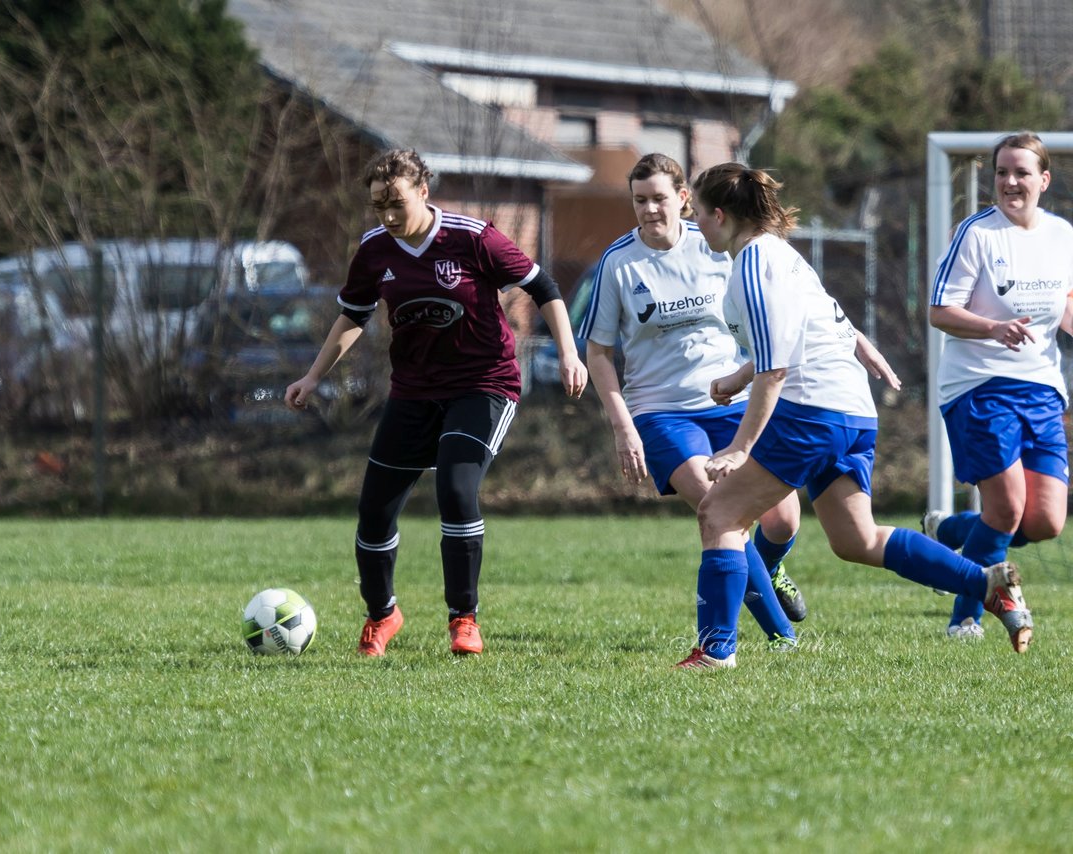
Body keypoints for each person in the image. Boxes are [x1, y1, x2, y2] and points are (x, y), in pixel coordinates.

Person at [675, 161, 1033, 670]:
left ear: (717, 215)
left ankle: (715, 653)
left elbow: (777, 369)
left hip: (811, 410)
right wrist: (739, 378)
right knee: (856, 539)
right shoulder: (782, 256)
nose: (695, 224)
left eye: (696, 213)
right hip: (851, 410)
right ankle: (988, 584)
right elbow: (812, 328)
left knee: (719, 514)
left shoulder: (753, 263)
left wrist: (740, 447)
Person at [582, 153, 902, 650]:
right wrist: (624, 426)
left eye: (659, 199)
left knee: (783, 519)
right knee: (720, 509)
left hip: (734, 399)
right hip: (662, 411)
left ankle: (768, 573)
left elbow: (792, 301)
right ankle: (781, 635)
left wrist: (854, 338)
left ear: (684, 199)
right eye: (639, 200)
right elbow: (599, 353)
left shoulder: (717, 245)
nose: (649, 210)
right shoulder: (618, 263)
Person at [285, 148, 587, 657]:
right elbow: (354, 315)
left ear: (423, 192)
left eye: (396, 203)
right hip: (414, 391)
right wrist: (314, 376)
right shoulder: (375, 250)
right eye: (378, 205)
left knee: (455, 486)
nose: (387, 215)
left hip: (483, 384)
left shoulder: (473, 238)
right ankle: (382, 615)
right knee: (374, 512)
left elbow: (543, 286)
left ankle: (463, 619)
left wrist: (569, 352)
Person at [923, 132, 1073, 640]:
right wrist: (992, 327)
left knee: (1044, 522)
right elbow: (939, 311)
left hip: (1042, 388)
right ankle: (964, 618)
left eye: (1022, 172)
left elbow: (1065, 305)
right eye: (1002, 172)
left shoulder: (1061, 235)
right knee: (1006, 508)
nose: (1010, 182)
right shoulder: (977, 234)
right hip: (979, 384)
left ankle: (947, 534)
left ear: (1043, 180)